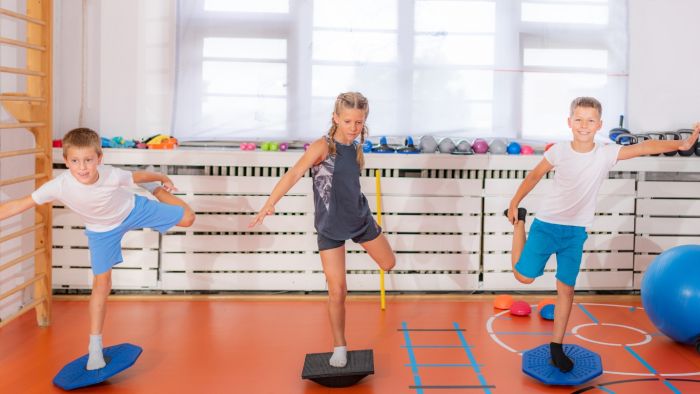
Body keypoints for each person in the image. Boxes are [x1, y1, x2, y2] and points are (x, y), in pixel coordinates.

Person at [504, 97, 700, 372]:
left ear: (600, 125)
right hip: (547, 225)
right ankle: (519, 224)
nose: (584, 125)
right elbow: (534, 176)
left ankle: (556, 346)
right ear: (569, 122)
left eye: (590, 120)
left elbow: (644, 147)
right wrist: (515, 203)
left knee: (567, 290)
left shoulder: (605, 154)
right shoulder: (558, 152)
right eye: (579, 119)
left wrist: (679, 145)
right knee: (523, 276)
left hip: (575, 233)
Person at [0, 127, 195, 370]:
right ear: (66, 161)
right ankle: (94, 347)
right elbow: (20, 204)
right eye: (75, 161)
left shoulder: (110, 174)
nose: (82, 167)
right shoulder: (58, 186)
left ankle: (155, 194)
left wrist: (159, 179)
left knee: (187, 218)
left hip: (132, 210)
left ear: (99, 159)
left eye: (88, 160)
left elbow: (135, 177)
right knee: (102, 284)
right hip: (102, 231)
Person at [249, 92, 396, 368]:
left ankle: (362, 240)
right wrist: (270, 203)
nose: (353, 127)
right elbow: (293, 173)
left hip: (360, 219)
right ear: (336, 118)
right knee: (338, 290)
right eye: (348, 121)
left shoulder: (356, 147)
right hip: (330, 226)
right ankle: (339, 345)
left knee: (389, 264)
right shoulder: (323, 147)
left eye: (359, 122)